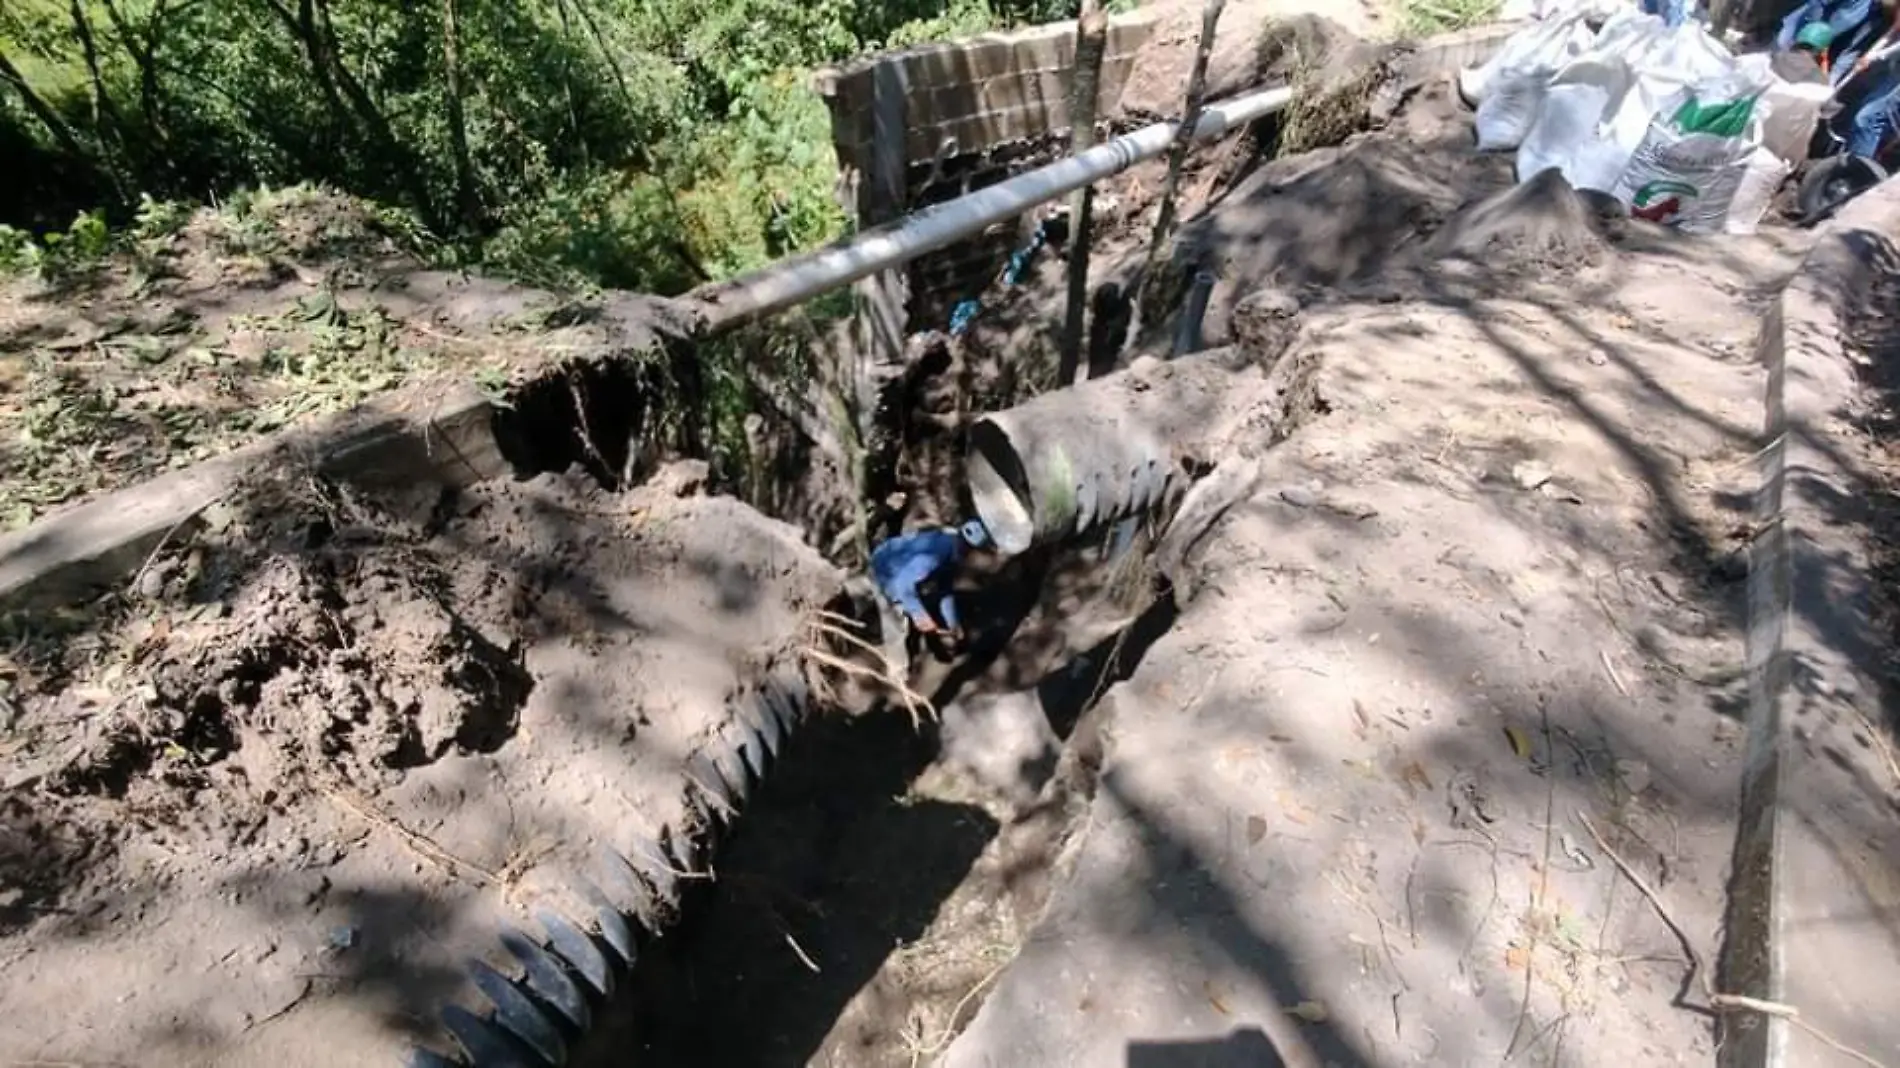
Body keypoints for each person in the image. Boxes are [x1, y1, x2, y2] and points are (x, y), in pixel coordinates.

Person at [870, 518, 990, 672]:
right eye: (970, 549)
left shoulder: (953, 552)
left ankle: (933, 643)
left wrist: (953, 624)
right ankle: (898, 674)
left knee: (925, 598)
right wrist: (918, 614)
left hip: (904, 566)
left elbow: (945, 590)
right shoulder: (935, 555)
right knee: (896, 623)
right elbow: (902, 585)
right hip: (885, 568)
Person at [1778, 0, 1889, 85]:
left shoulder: (1879, 14)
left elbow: (1851, 51)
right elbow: (1817, 5)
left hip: (1821, 51)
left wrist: (1830, 83)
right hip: (1799, 34)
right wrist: (1813, 36)